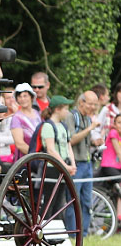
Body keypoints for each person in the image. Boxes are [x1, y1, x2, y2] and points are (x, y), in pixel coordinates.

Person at [38, 96, 78, 232]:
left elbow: (68, 146)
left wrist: (72, 164)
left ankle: (55, 233)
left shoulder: (63, 126)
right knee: (49, 201)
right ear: (57, 109)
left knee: (59, 203)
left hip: (63, 167)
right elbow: (50, 150)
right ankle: (43, 230)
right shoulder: (48, 126)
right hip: (51, 168)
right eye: (66, 109)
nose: (67, 112)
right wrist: (65, 166)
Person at [62, 91, 101, 233]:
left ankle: (84, 232)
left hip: (87, 163)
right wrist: (90, 128)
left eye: (95, 105)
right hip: (75, 164)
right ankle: (73, 233)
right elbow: (71, 139)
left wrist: (94, 141)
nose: (93, 107)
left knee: (87, 200)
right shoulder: (71, 116)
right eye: (90, 104)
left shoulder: (87, 118)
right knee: (74, 200)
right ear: (81, 102)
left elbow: (84, 139)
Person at [10, 83, 41, 161]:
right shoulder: (16, 118)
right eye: (19, 96)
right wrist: (37, 156)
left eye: (25, 96)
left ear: (31, 97)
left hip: (40, 158)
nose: (22, 99)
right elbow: (19, 144)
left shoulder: (37, 114)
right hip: (24, 161)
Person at [100, 113, 121, 221]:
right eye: (119, 122)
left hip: (117, 168)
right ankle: (119, 216)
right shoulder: (113, 133)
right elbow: (119, 153)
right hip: (109, 167)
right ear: (115, 124)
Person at [0, 90, 19, 170]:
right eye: (8, 98)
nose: (11, 100)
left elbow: (14, 139)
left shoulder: (10, 118)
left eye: (13, 97)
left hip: (8, 155)